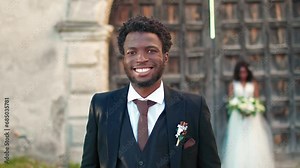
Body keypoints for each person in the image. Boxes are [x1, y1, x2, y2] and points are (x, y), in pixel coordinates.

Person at [81, 16, 221, 168]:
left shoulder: (193, 107)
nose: (141, 58)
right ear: (123, 59)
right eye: (132, 52)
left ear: (165, 57)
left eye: (151, 50)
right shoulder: (101, 106)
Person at [222, 61, 275, 168]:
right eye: (241, 72)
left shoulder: (253, 84)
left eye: (245, 72)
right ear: (238, 73)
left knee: (253, 139)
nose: (243, 75)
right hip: (237, 116)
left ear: (248, 72)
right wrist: (238, 106)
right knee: (238, 139)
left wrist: (252, 107)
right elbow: (230, 99)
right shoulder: (233, 85)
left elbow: (256, 99)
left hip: (251, 116)